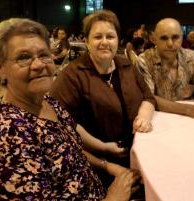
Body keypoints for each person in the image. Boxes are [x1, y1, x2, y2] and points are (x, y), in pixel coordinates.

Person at [0, 18, 141, 201]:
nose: (39, 65)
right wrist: (114, 196)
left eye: (44, 55)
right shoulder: (7, 133)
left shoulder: (48, 102)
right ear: (0, 67)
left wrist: (107, 166)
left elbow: (71, 148)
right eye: (24, 57)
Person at [49, 9, 155, 170]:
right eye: (98, 37)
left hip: (138, 150)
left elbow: (149, 97)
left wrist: (144, 116)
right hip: (96, 162)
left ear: (117, 40)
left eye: (110, 36)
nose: (105, 42)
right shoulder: (71, 74)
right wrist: (102, 147)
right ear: (86, 41)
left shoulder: (126, 65)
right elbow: (62, 121)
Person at [136, 18, 194, 121]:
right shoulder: (144, 61)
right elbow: (148, 98)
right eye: (164, 38)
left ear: (182, 38)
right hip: (159, 120)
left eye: (175, 37)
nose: (170, 44)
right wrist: (190, 110)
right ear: (153, 39)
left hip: (191, 122)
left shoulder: (193, 58)